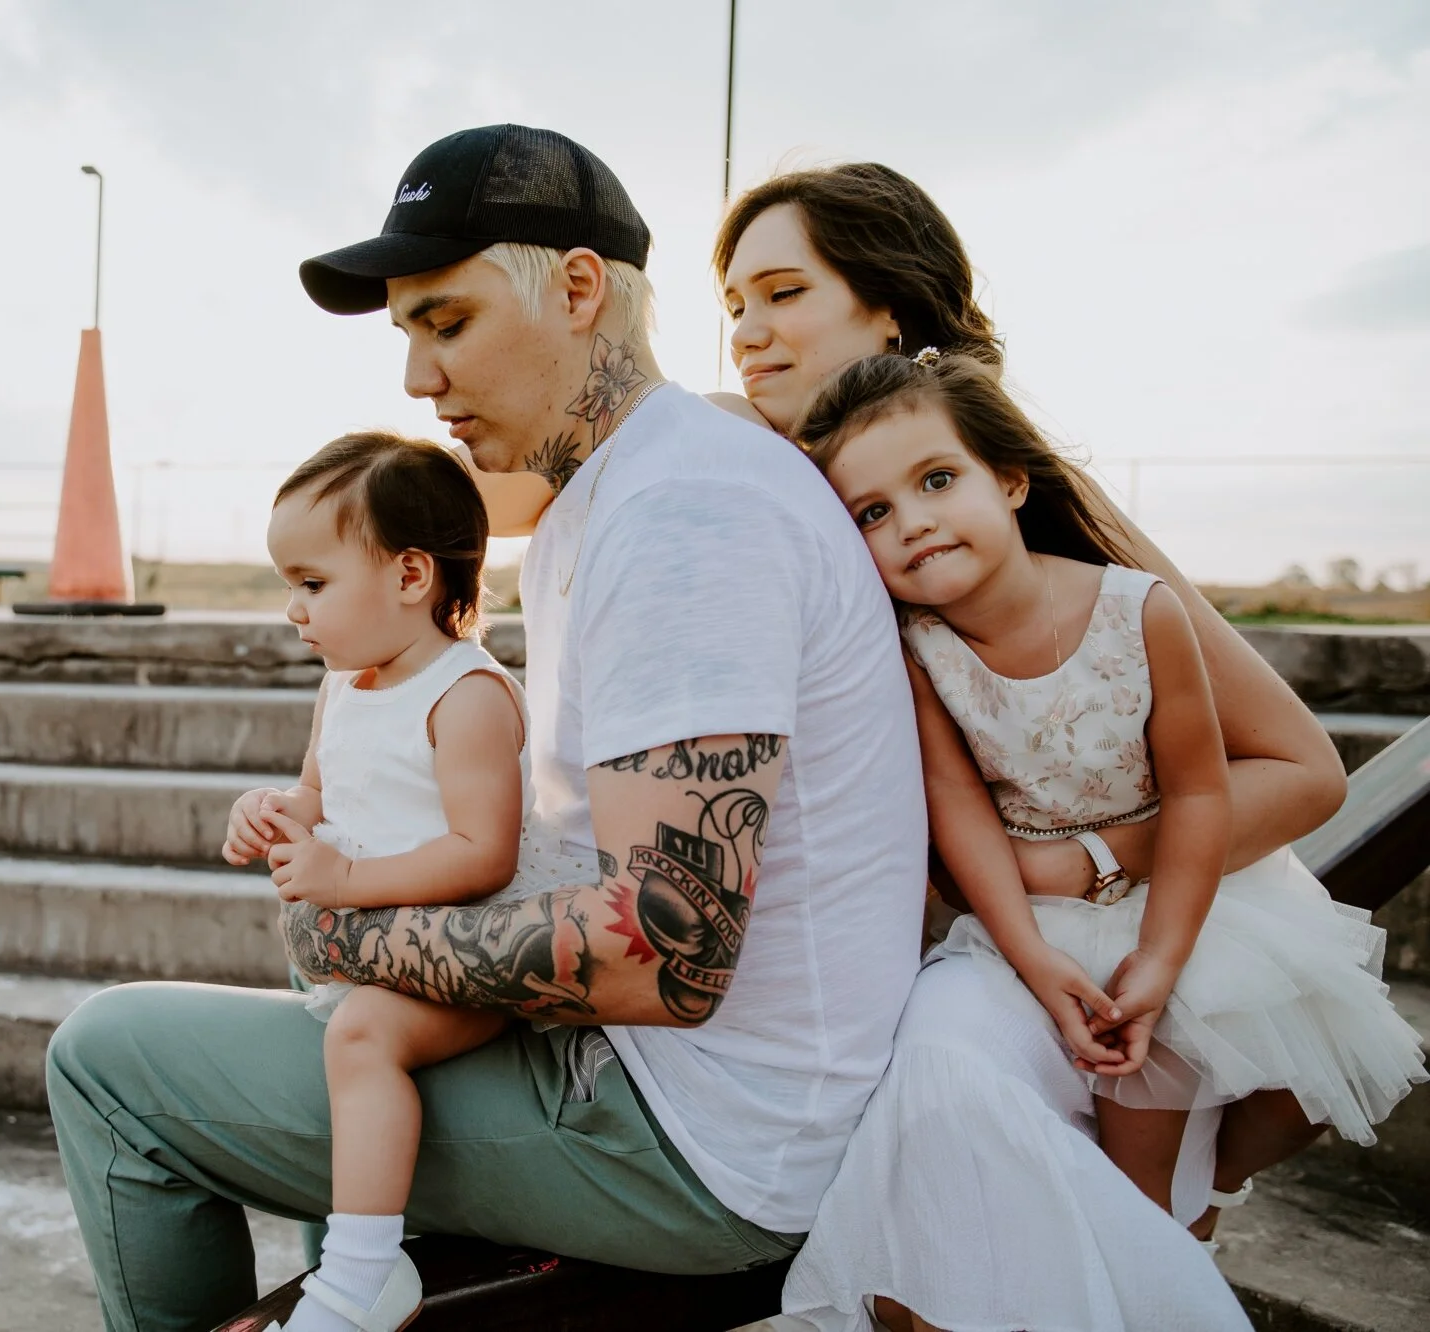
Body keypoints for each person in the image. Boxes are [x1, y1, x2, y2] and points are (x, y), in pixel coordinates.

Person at [46, 124, 927, 1332]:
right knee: (341, 1000)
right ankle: (357, 1283)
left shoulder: (685, 513)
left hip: (696, 1138)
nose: (418, 379)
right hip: (679, 1091)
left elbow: (663, 951)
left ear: (578, 290)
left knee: (108, 1058)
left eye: (447, 322)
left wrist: (348, 927)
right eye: (406, 334)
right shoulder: (615, 491)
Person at [697, 166, 1350, 1331]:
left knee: (974, 1169)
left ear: (887, 311)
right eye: (732, 306)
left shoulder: (1031, 512)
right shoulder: (764, 486)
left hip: (1074, 943)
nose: (745, 335)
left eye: (782, 294)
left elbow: (1300, 771)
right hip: (879, 977)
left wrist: (1083, 860)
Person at [801, 348, 1426, 1211]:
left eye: (938, 480)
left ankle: (1209, 1195)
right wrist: (1030, 953)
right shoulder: (918, 651)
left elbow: (1200, 791)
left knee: (1307, 1091)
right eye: (873, 512)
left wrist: (1164, 954)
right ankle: (1157, 1236)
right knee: (1141, 1135)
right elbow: (955, 801)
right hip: (1041, 914)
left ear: (1010, 480)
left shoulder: (1141, 610)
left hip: (1191, 889)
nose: (913, 522)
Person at [219, 430, 593, 1332]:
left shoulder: (466, 695)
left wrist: (345, 877)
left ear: (411, 575)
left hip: (468, 964)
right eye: (289, 585)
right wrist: (272, 811)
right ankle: (331, 1256)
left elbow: (483, 852)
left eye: (313, 583)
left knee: (362, 1039)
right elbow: (321, 794)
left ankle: (364, 1275)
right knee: (338, 1079)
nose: (293, 609)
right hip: (364, 947)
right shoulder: (345, 686)